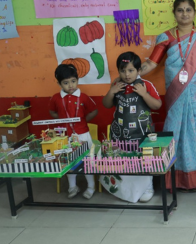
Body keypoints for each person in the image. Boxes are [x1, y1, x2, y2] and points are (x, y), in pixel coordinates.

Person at [140, 0, 196, 192]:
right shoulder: (165, 37)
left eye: (188, 10)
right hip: (176, 94)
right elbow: (151, 63)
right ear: (174, 13)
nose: (184, 14)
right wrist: (131, 74)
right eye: (180, 10)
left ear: (194, 12)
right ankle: (175, 178)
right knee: (174, 131)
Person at [102, 51, 162, 203]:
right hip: (120, 132)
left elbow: (157, 105)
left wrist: (144, 94)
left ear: (138, 70)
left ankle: (147, 187)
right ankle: (127, 190)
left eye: (131, 70)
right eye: (123, 71)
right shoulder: (117, 84)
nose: (127, 75)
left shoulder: (146, 85)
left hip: (142, 132)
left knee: (144, 160)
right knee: (124, 161)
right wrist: (112, 91)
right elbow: (106, 104)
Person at [49, 64, 98, 199]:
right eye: (66, 83)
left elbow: (94, 110)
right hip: (65, 137)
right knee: (69, 162)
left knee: (87, 162)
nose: (70, 85)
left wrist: (83, 121)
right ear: (59, 84)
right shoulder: (56, 98)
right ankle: (72, 187)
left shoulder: (83, 97)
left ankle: (91, 187)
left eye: (73, 81)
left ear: (77, 80)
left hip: (83, 135)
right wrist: (63, 120)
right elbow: (52, 112)